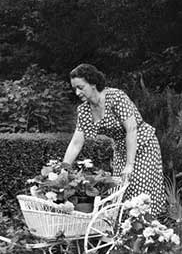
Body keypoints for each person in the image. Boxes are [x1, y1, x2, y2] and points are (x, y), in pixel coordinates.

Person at [63, 63, 166, 216]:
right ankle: (126, 233)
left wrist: (129, 165)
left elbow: (131, 129)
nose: (77, 92)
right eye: (75, 89)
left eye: (81, 87)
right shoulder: (84, 110)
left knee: (140, 188)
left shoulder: (115, 97)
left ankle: (149, 229)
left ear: (93, 83)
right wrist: (64, 169)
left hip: (143, 144)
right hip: (120, 149)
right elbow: (76, 143)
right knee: (120, 191)